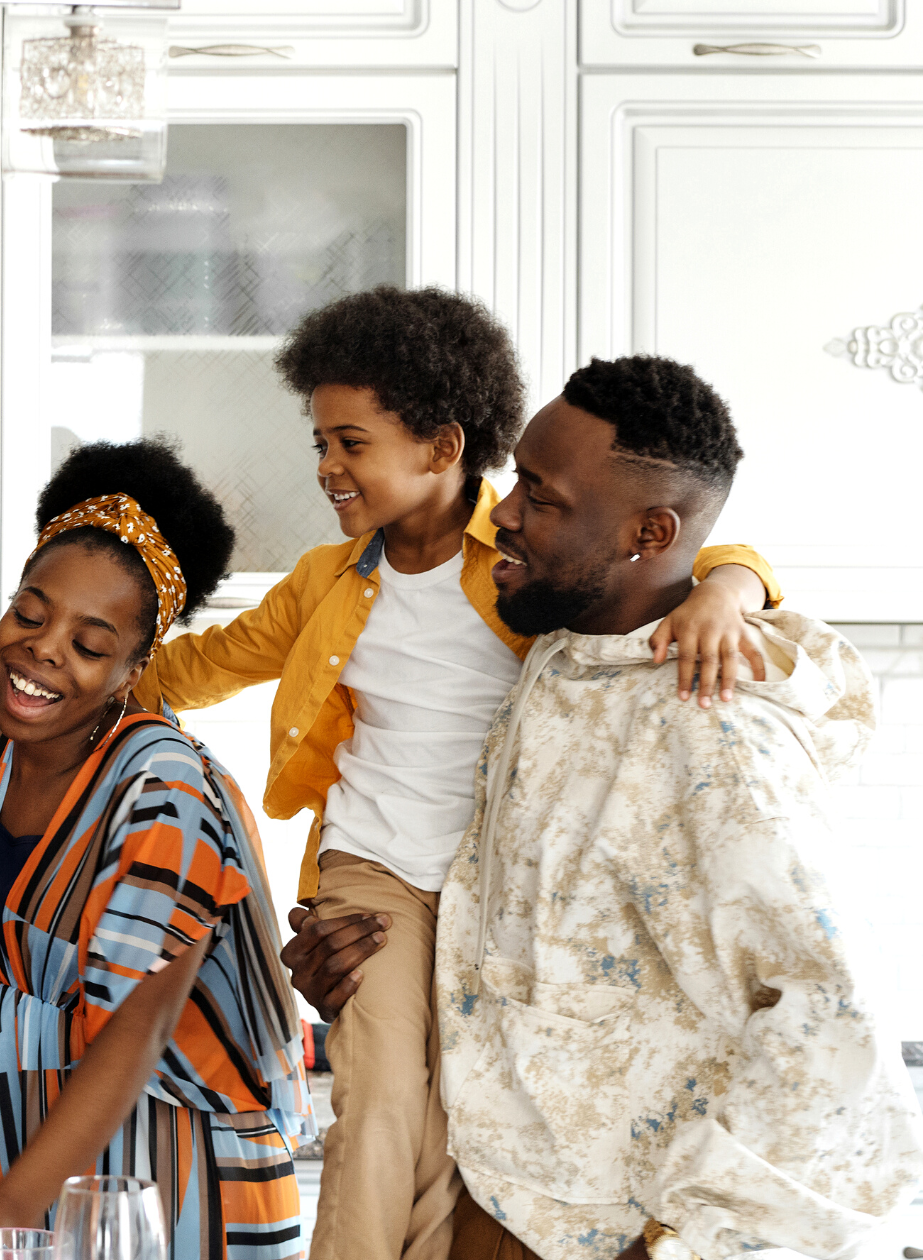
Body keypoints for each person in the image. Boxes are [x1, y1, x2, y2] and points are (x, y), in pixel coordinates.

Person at [122, 289, 777, 1260]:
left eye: (349, 443)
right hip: (370, 869)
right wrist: (68, 676)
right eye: (319, 441)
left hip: (493, 884)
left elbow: (673, 543)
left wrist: (731, 585)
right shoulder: (323, 581)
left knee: (462, 1117)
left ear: (438, 448)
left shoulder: (524, 559)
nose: (324, 467)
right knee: (381, 1095)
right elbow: (193, 667)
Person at [311, 356, 922, 1260]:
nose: (504, 513)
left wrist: (677, 1248)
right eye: (517, 478)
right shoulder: (563, 656)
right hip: (498, 1203)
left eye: (541, 497)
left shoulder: (709, 735)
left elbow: (841, 1034)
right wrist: (361, 979)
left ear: (649, 531)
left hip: (619, 1237)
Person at [0, 439, 310, 1260]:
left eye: (90, 643)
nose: (42, 649)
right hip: (18, 1141)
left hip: (174, 1178)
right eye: (29, 614)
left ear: (135, 667)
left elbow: (133, 1035)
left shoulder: (163, 788)